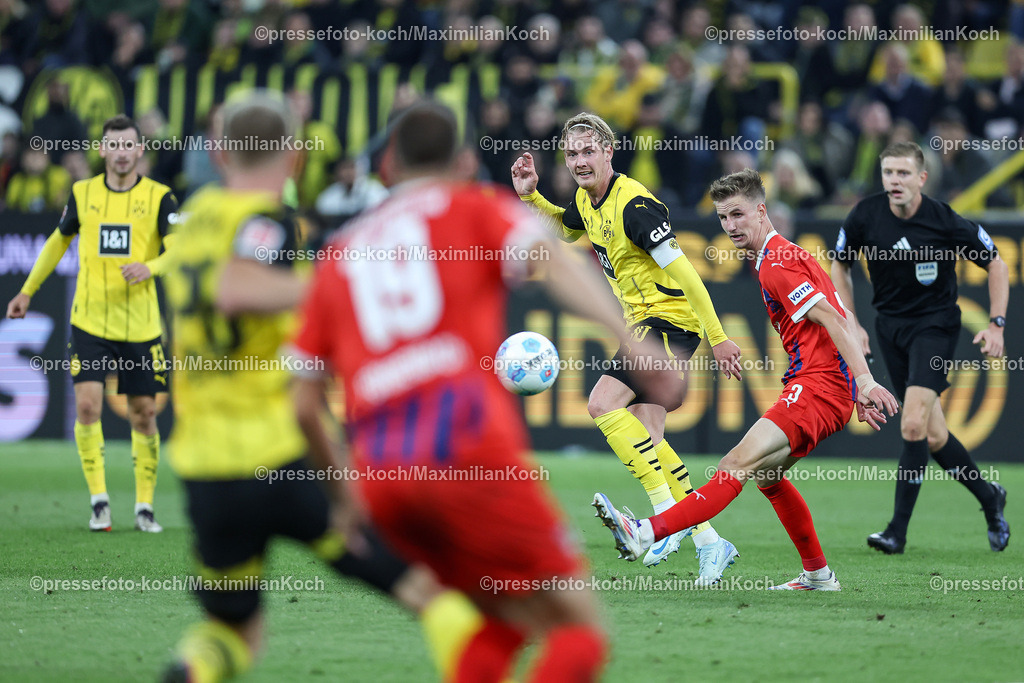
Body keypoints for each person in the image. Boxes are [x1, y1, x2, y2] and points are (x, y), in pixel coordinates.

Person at [288, 101, 680, 682]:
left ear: (387, 167)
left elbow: (301, 400)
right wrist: (631, 341)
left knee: (500, 620)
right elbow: (549, 253)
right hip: (466, 456)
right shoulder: (472, 207)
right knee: (577, 628)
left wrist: (343, 492)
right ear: (466, 161)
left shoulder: (340, 251)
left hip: (381, 477)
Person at [160, 92, 486, 683]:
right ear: (294, 156)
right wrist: (328, 289)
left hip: (204, 467)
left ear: (218, 151)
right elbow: (237, 287)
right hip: (277, 456)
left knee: (232, 630)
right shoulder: (270, 222)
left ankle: (190, 672)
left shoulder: (194, 218)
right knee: (423, 587)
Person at [592, 168, 900, 591]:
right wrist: (855, 384)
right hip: (827, 385)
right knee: (768, 477)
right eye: (722, 218)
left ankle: (645, 531)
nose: (731, 226)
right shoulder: (791, 254)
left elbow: (830, 316)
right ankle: (817, 575)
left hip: (816, 387)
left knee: (734, 464)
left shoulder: (777, 264)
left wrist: (862, 382)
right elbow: (843, 315)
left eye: (738, 215)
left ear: (761, 209)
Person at [511, 111, 743, 581]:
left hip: (668, 322)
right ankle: (709, 542)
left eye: (588, 151)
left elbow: (687, 275)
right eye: (572, 153)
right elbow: (567, 229)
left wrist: (719, 339)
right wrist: (532, 196)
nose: (579, 160)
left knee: (601, 403)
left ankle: (658, 518)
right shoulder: (584, 197)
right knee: (649, 435)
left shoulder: (635, 207)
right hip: (642, 324)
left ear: (608, 150)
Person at [831, 141, 1010, 554]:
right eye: (888, 173)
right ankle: (989, 498)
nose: (894, 181)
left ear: (922, 178)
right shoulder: (865, 215)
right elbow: (839, 264)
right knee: (932, 435)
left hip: (935, 327)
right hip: (889, 328)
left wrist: (997, 324)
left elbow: (996, 263)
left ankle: (897, 532)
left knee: (911, 424)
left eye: (903, 174)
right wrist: (851, 321)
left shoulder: (944, 220)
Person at [6, 114, 177, 533]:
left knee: (144, 414)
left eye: (128, 146)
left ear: (140, 150)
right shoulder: (83, 194)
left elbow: (180, 251)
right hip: (90, 322)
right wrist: (27, 290)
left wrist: (150, 267)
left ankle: (144, 506)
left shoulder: (160, 198)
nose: (120, 154)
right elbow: (57, 241)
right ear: (102, 150)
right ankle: (99, 502)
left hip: (140, 326)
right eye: (113, 146)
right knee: (86, 407)